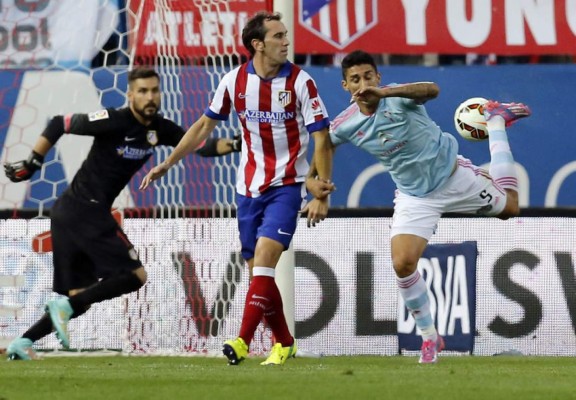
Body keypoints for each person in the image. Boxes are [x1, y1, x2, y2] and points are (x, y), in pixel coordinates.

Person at [305, 50, 531, 364]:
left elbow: (432, 90)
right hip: (415, 197)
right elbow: (324, 144)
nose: (362, 83)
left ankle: (496, 122)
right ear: (345, 86)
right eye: (355, 79)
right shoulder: (346, 123)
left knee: (511, 208)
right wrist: (316, 188)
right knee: (402, 263)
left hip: (455, 177)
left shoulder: (398, 97)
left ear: (378, 77)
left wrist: (384, 92)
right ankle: (430, 338)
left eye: (368, 76)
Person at [3, 67, 240, 360]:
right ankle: (51, 318)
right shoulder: (113, 121)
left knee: (79, 299)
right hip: (84, 209)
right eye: (142, 91)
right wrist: (33, 162)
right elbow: (57, 123)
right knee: (135, 275)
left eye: (154, 90)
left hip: (70, 212)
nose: (149, 97)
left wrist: (238, 143)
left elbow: (201, 146)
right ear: (130, 95)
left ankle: (22, 343)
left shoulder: (161, 129)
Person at [140, 11, 333, 366]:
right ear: (258, 45)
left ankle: (242, 342)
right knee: (258, 272)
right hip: (247, 189)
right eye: (278, 36)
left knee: (263, 261)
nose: (286, 42)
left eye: (285, 35)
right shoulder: (234, 81)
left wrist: (320, 192)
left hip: (287, 186)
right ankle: (285, 342)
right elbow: (202, 127)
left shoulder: (301, 83)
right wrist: (169, 162)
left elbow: (322, 136)